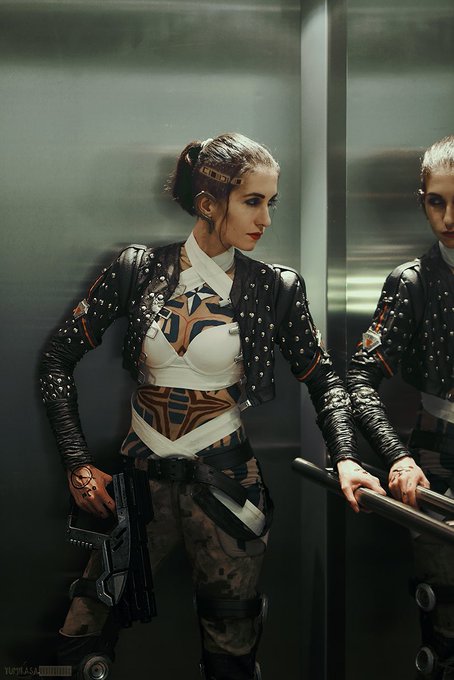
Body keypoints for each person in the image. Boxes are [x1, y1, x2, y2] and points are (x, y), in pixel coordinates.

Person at [39, 132, 380, 680]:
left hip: (227, 484)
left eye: (271, 202)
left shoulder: (275, 287)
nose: (265, 219)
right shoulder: (138, 269)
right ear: (207, 203)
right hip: (140, 482)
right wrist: (77, 464)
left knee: (231, 647)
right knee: (80, 635)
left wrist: (346, 457)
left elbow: (325, 380)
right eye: (253, 201)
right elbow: (57, 359)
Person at [346, 135, 454, 679]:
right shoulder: (414, 282)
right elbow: (358, 379)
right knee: (447, 623)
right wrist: (397, 456)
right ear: (422, 201)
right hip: (439, 455)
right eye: (437, 202)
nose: (449, 218)